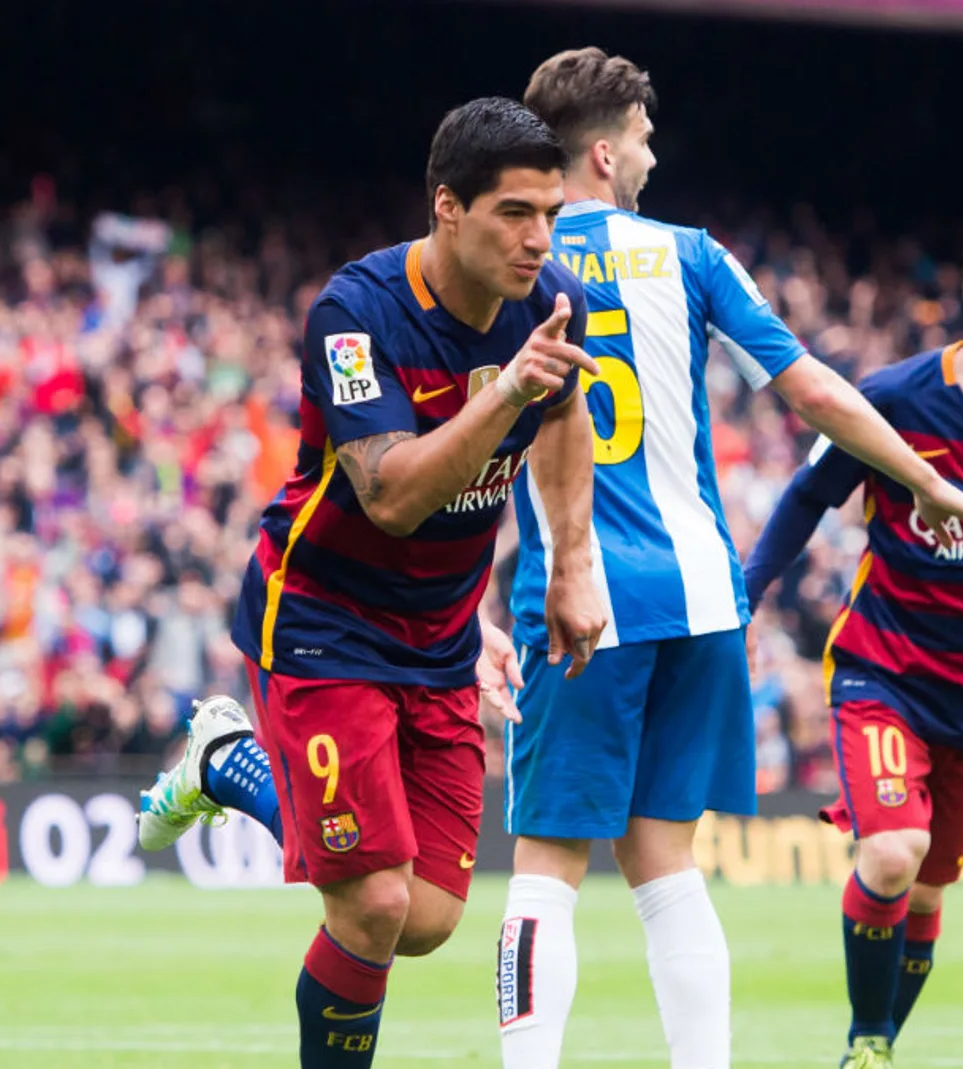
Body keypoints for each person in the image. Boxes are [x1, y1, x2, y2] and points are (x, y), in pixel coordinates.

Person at [488, 48, 963, 1069]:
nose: (649, 151)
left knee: (546, 866)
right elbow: (811, 390)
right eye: (638, 136)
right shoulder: (690, 253)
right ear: (601, 150)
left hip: (582, 594)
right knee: (667, 868)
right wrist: (928, 478)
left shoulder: (514, 265)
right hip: (700, 597)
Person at [135, 97, 608, 1069]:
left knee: (426, 915)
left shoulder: (553, 302)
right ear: (447, 206)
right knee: (373, 898)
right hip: (320, 620)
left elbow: (564, 413)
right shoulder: (354, 315)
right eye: (514, 212)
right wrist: (510, 388)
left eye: (550, 214)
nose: (539, 238)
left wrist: (572, 558)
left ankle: (225, 761)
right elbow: (390, 496)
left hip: (437, 637)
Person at [741, 223, 963, 1069]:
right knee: (894, 850)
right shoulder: (896, 397)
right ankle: (867, 1044)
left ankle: (875, 1051)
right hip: (883, 664)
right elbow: (807, 495)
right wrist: (745, 590)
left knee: (930, 887)